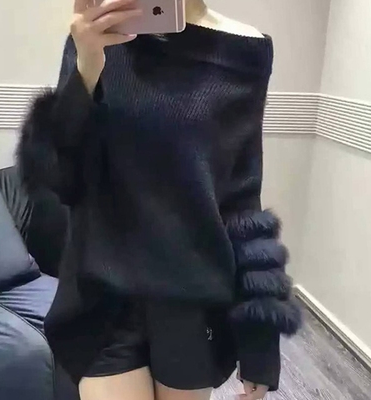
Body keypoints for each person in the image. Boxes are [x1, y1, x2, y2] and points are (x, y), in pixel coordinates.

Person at [17, 0, 302, 399]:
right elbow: (58, 181)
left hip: (191, 300)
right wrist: (86, 68)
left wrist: (259, 341)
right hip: (103, 300)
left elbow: (241, 201)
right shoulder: (99, 36)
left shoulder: (244, 49)